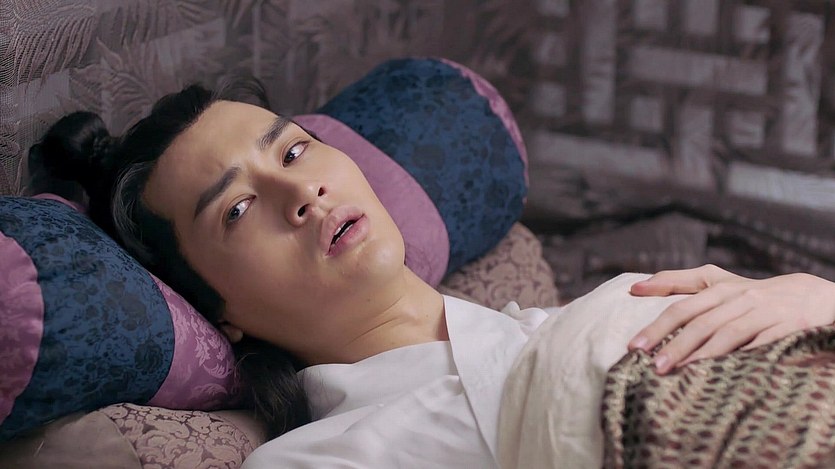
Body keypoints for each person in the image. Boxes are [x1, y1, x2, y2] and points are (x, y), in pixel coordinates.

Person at [31, 79, 835, 467]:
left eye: (294, 150)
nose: (298, 194)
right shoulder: (323, 459)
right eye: (236, 210)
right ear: (220, 312)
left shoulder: (565, 320)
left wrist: (812, 298)